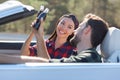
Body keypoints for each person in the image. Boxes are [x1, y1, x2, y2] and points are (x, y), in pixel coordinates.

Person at [0, 13, 109, 63]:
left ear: (87, 30)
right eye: (62, 23)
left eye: (79, 27)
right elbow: (47, 64)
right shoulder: (79, 55)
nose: (75, 31)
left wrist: (39, 37)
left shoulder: (90, 57)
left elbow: (48, 65)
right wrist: (36, 34)